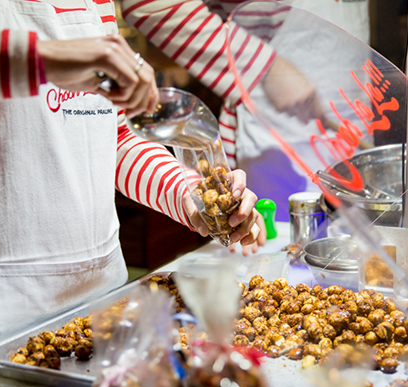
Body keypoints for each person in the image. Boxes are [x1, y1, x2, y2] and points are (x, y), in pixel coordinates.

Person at [0, 0, 262, 387]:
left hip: (97, 306)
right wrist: (37, 61)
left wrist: (188, 194)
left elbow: (110, 135)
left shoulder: (95, 4)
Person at [121, 0, 371, 221]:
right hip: (273, 129)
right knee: (283, 251)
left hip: (353, 116)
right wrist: (265, 68)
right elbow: (148, 3)